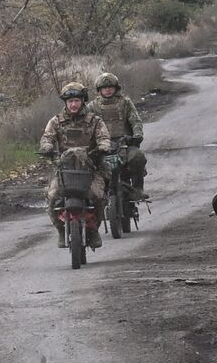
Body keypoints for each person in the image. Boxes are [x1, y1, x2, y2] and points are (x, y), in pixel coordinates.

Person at [39, 82, 110, 248]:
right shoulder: (56, 121)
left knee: (98, 197)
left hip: (91, 168)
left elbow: (104, 137)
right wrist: (47, 147)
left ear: (83, 101)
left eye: (77, 100)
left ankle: (94, 230)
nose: (73, 104)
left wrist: (103, 146)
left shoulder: (95, 121)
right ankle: (60, 230)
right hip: (65, 170)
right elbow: (47, 138)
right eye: (70, 101)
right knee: (52, 197)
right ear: (65, 102)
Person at [88, 72, 148, 199]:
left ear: (116, 88)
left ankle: (137, 188)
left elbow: (135, 120)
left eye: (110, 87)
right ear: (99, 90)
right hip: (101, 146)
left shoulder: (125, 103)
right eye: (104, 87)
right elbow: (85, 126)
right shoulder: (92, 106)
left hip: (124, 144)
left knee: (138, 157)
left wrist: (137, 135)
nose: (108, 90)